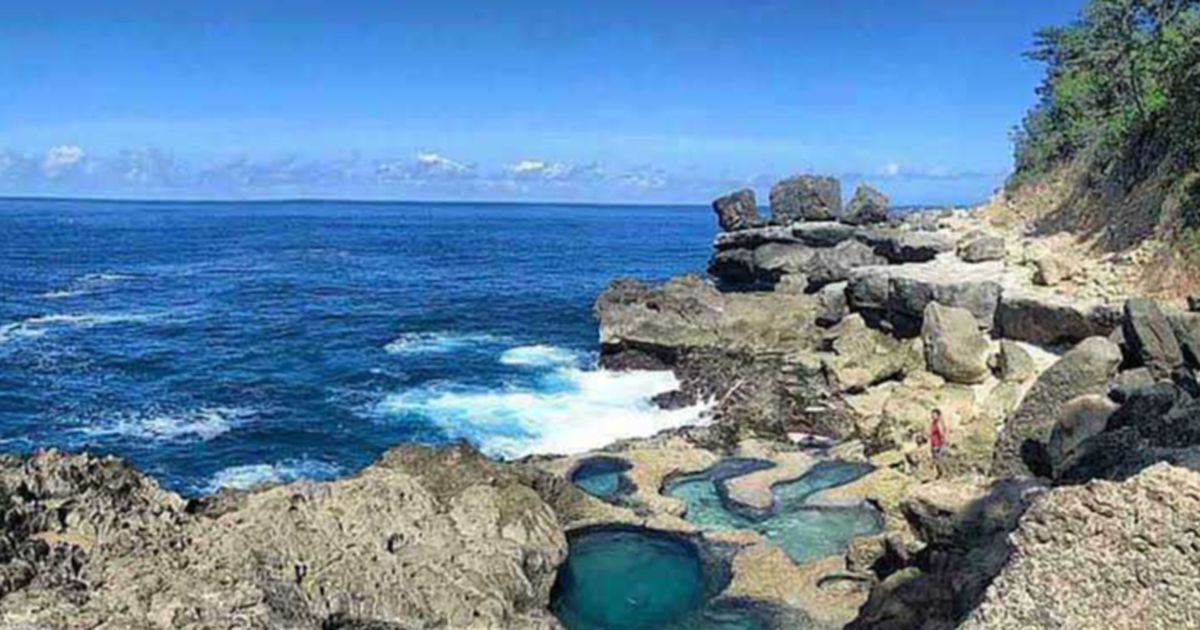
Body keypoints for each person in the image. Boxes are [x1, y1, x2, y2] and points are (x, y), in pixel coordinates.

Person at [929, 408, 947, 478]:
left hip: (938, 444)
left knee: (939, 459)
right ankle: (939, 474)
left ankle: (943, 474)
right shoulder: (933, 423)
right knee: (936, 459)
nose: (932, 416)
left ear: (938, 415)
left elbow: (942, 434)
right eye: (932, 414)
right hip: (934, 443)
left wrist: (942, 444)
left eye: (934, 414)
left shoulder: (938, 423)